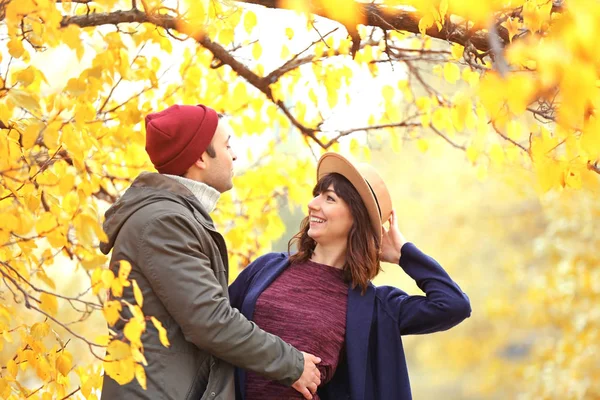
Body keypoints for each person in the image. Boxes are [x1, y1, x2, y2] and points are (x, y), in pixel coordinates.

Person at [99, 104, 322, 400]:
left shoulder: (175, 217)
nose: (234, 155)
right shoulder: (165, 223)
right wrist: (292, 364)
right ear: (200, 157)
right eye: (227, 145)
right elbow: (210, 320)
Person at [229, 152, 471, 400]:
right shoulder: (266, 269)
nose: (313, 204)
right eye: (317, 195)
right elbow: (214, 324)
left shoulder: (374, 306)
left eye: (329, 198)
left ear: (356, 217)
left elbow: (453, 305)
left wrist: (404, 254)